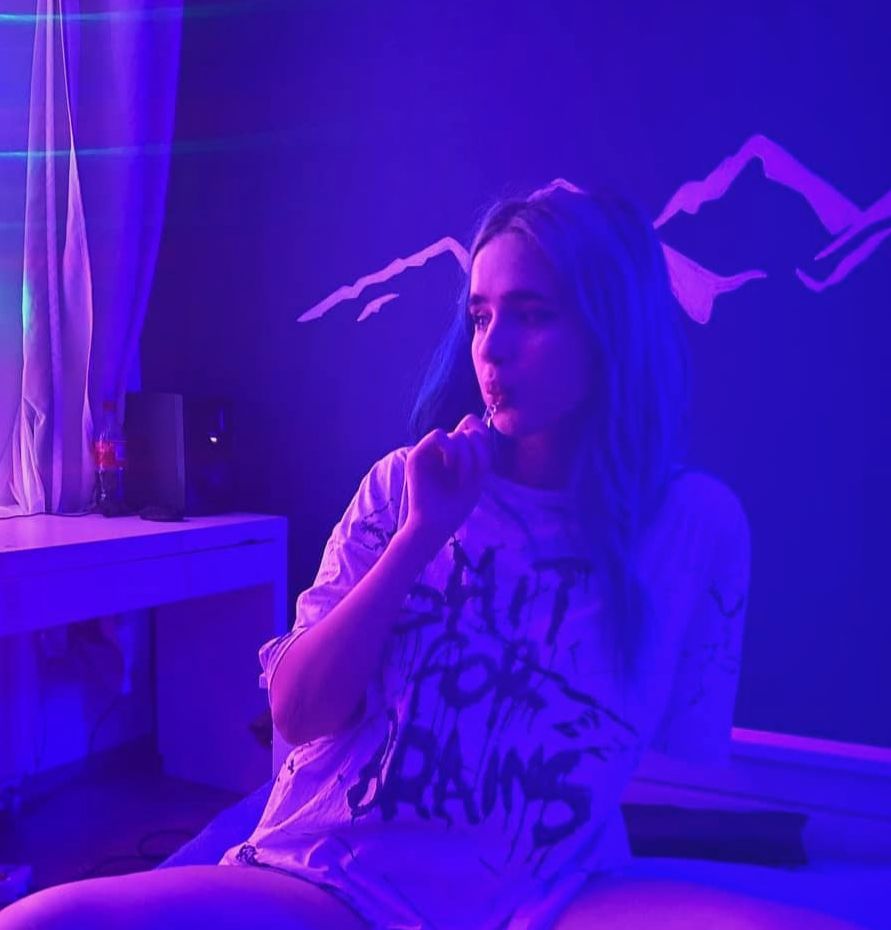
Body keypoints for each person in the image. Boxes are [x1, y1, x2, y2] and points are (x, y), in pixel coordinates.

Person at [0, 181, 859, 930]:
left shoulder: (698, 527)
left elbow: (675, 764)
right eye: (479, 315)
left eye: (532, 314)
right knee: (38, 921)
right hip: (334, 878)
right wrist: (419, 535)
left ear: (611, 331)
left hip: (543, 897)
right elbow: (297, 713)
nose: (491, 347)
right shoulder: (401, 487)